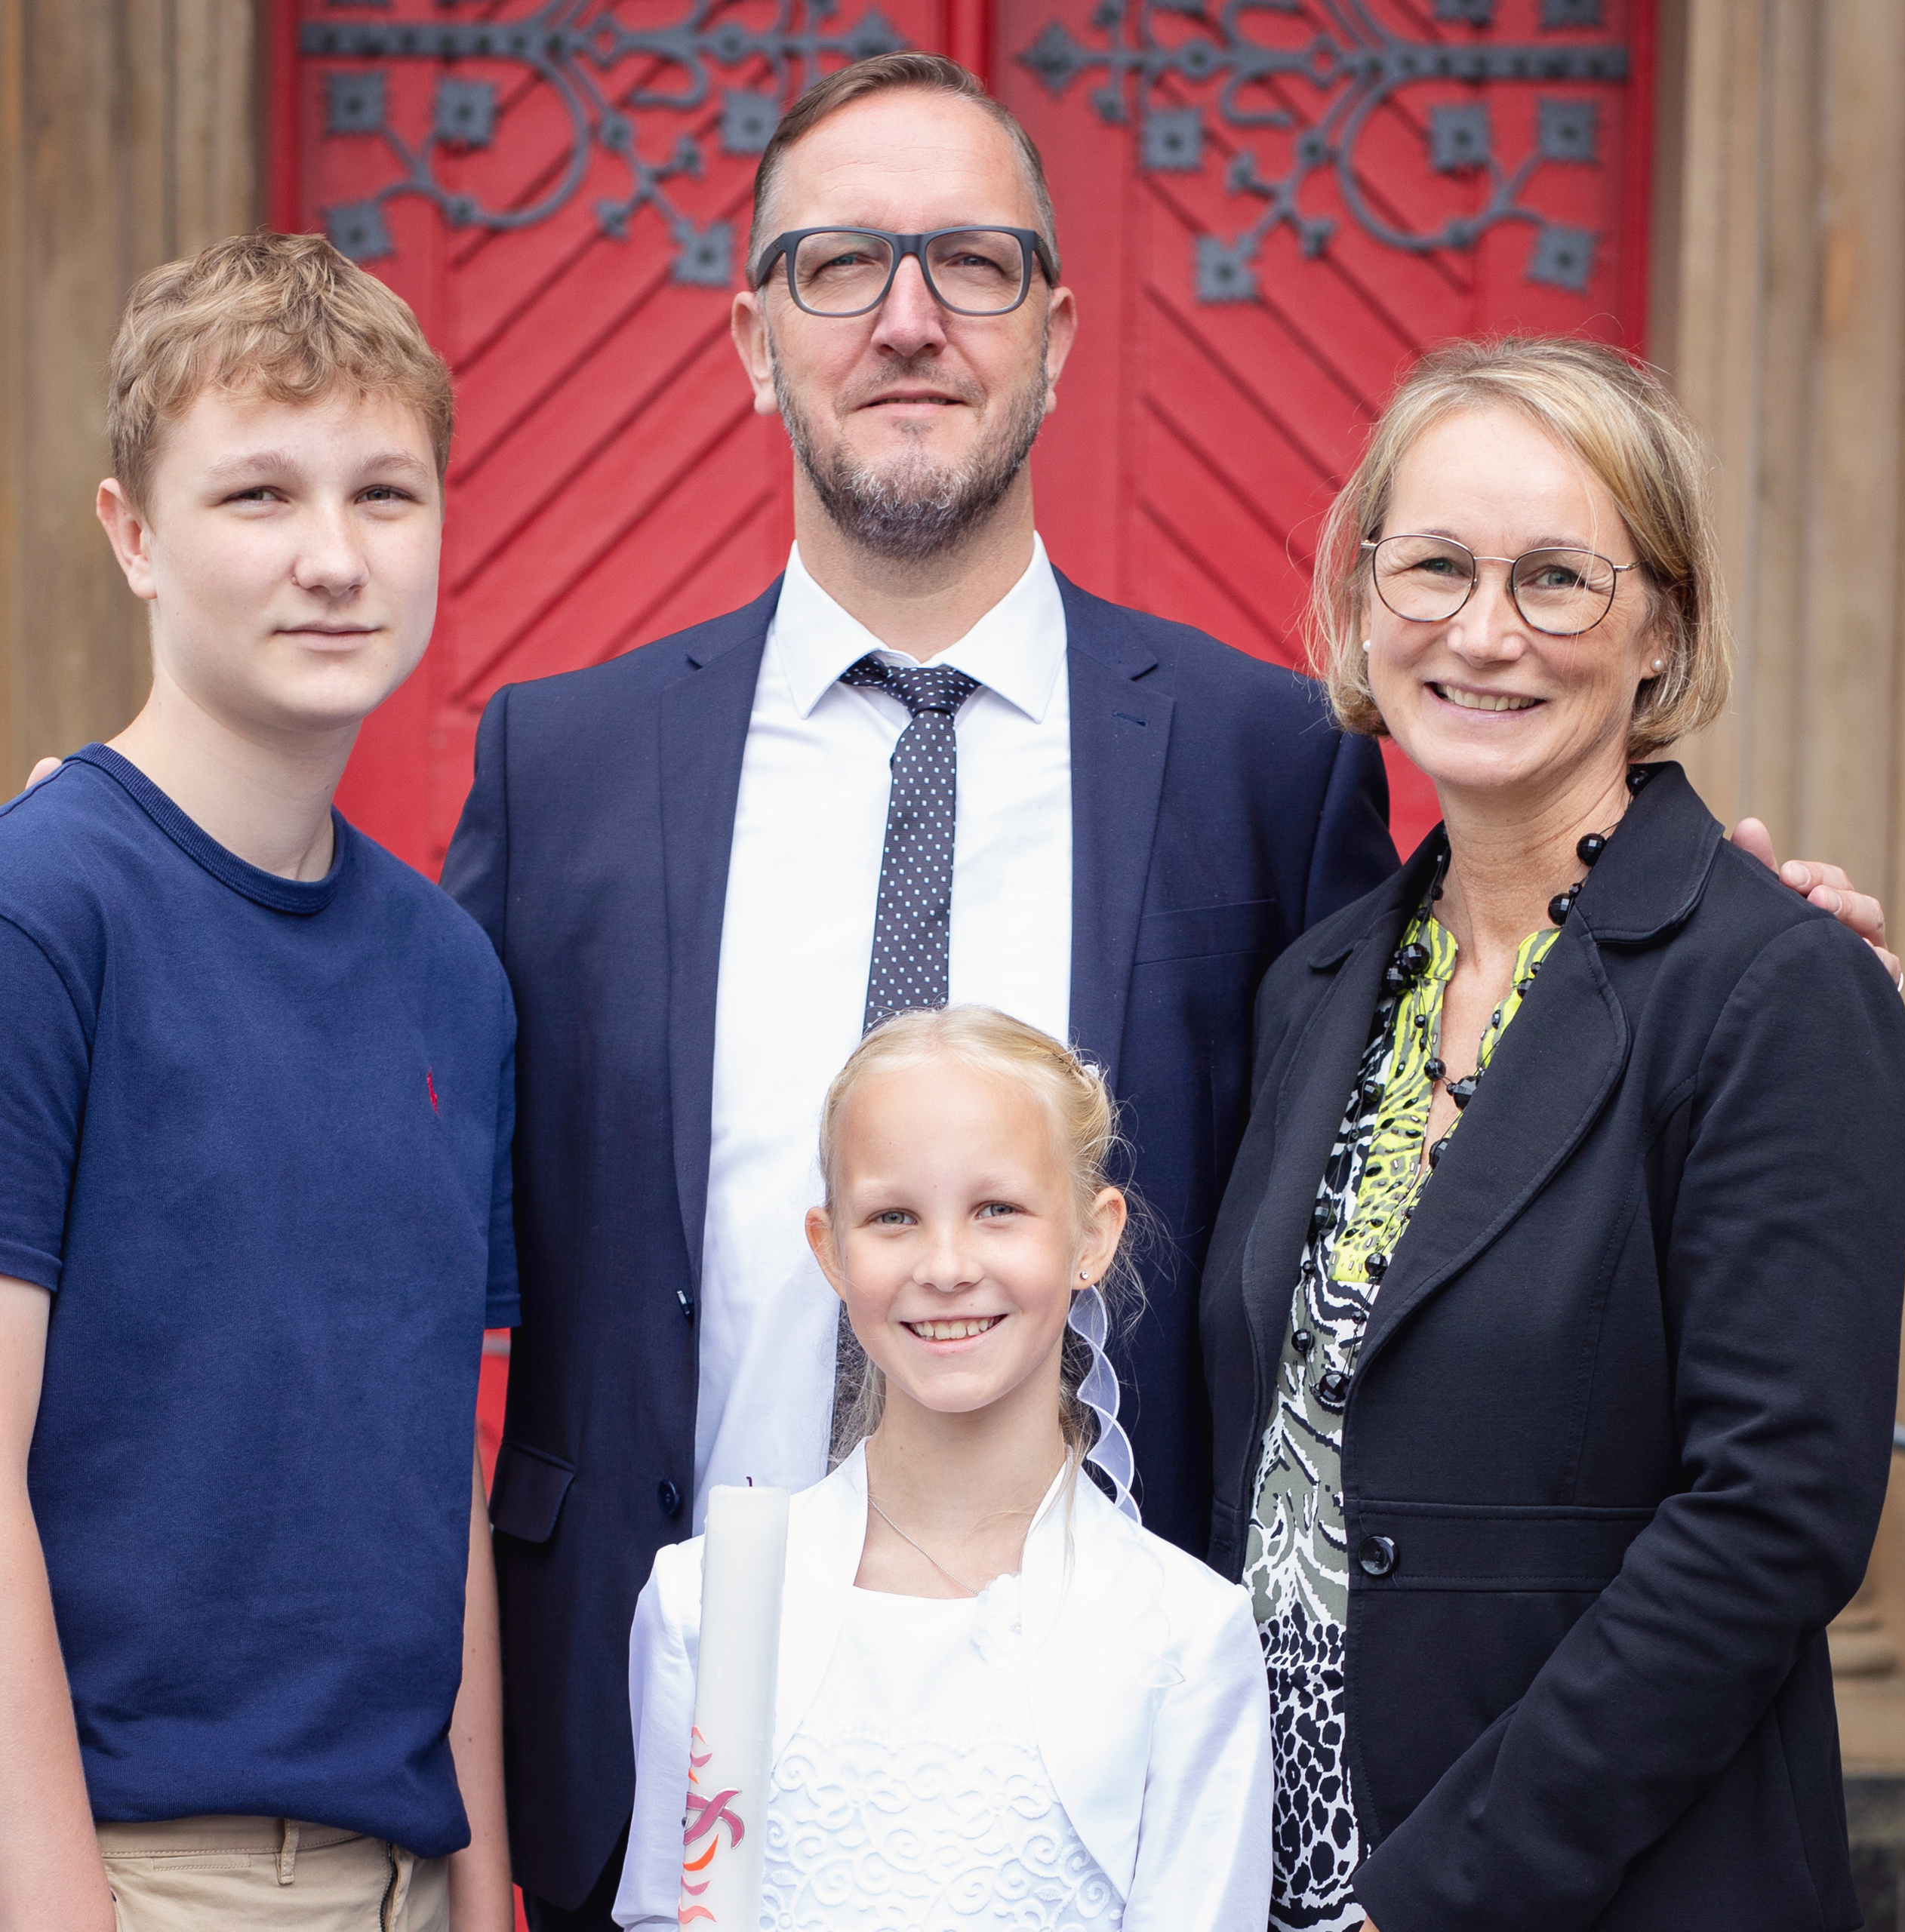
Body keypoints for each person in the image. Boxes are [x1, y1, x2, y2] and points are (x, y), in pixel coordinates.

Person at [441, 52, 1398, 1924]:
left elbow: (1413, 1144)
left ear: (1051, 329)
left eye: (969, 262)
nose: (904, 319)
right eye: (836, 265)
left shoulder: (1261, 758)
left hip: (1102, 1752)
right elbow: (376, 1147)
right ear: (748, 335)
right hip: (646, 1693)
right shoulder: (557, 765)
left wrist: (1693, 932)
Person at [1199, 335, 1905, 1931]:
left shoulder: (1773, 987)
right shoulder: (1318, 983)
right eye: (1434, 565)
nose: (1479, 630)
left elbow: (1768, 1522)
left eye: (1553, 580)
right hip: (1272, 1868)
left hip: (1584, 1885)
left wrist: (1433, 1896)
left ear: (1657, 626)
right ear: (1362, 595)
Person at [0, 235, 517, 1932]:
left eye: (383, 492)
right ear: (133, 536)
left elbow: (431, 1482)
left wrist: (478, 1881)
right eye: (255, 497)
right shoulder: (46, 903)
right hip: (136, 1870)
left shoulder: (451, 970)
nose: (331, 557)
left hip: (395, 1875)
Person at [614, 1006, 1272, 1930]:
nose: (948, 1263)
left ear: (1092, 1233)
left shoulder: (1184, 1638)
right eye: (893, 1216)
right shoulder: (708, 1600)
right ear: (830, 1248)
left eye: (996, 1208)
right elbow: (666, 1909)